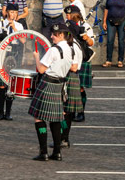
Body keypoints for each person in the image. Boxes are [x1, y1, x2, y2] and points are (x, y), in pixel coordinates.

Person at [29, 22, 74, 162]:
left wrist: (36, 57)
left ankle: (43, 153)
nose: (51, 36)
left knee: (38, 116)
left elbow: (41, 70)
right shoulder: (70, 49)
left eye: (54, 35)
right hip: (60, 84)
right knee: (56, 119)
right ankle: (57, 152)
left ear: (61, 35)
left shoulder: (54, 50)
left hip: (48, 83)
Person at [0, 3, 23, 120]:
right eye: (11, 12)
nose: (13, 14)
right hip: (1, 55)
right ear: (7, 12)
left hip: (13, 55)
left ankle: (8, 112)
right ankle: (0, 112)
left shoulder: (19, 26)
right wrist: (2, 43)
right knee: (1, 86)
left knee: (10, 85)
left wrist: (14, 28)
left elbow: (23, 40)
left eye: (15, 12)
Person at [58, 11, 84, 148]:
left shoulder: (74, 46)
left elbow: (74, 67)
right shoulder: (66, 45)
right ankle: (62, 138)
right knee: (62, 110)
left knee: (66, 111)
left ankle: (64, 138)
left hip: (70, 77)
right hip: (64, 77)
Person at [65, 5, 94, 122]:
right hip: (70, 58)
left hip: (83, 58)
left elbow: (91, 43)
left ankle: (81, 112)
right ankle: (70, 111)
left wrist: (86, 37)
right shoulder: (66, 25)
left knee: (80, 87)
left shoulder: (86, 26)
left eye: (68, 14)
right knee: (70, 86)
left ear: (75, 15)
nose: (66, 16)